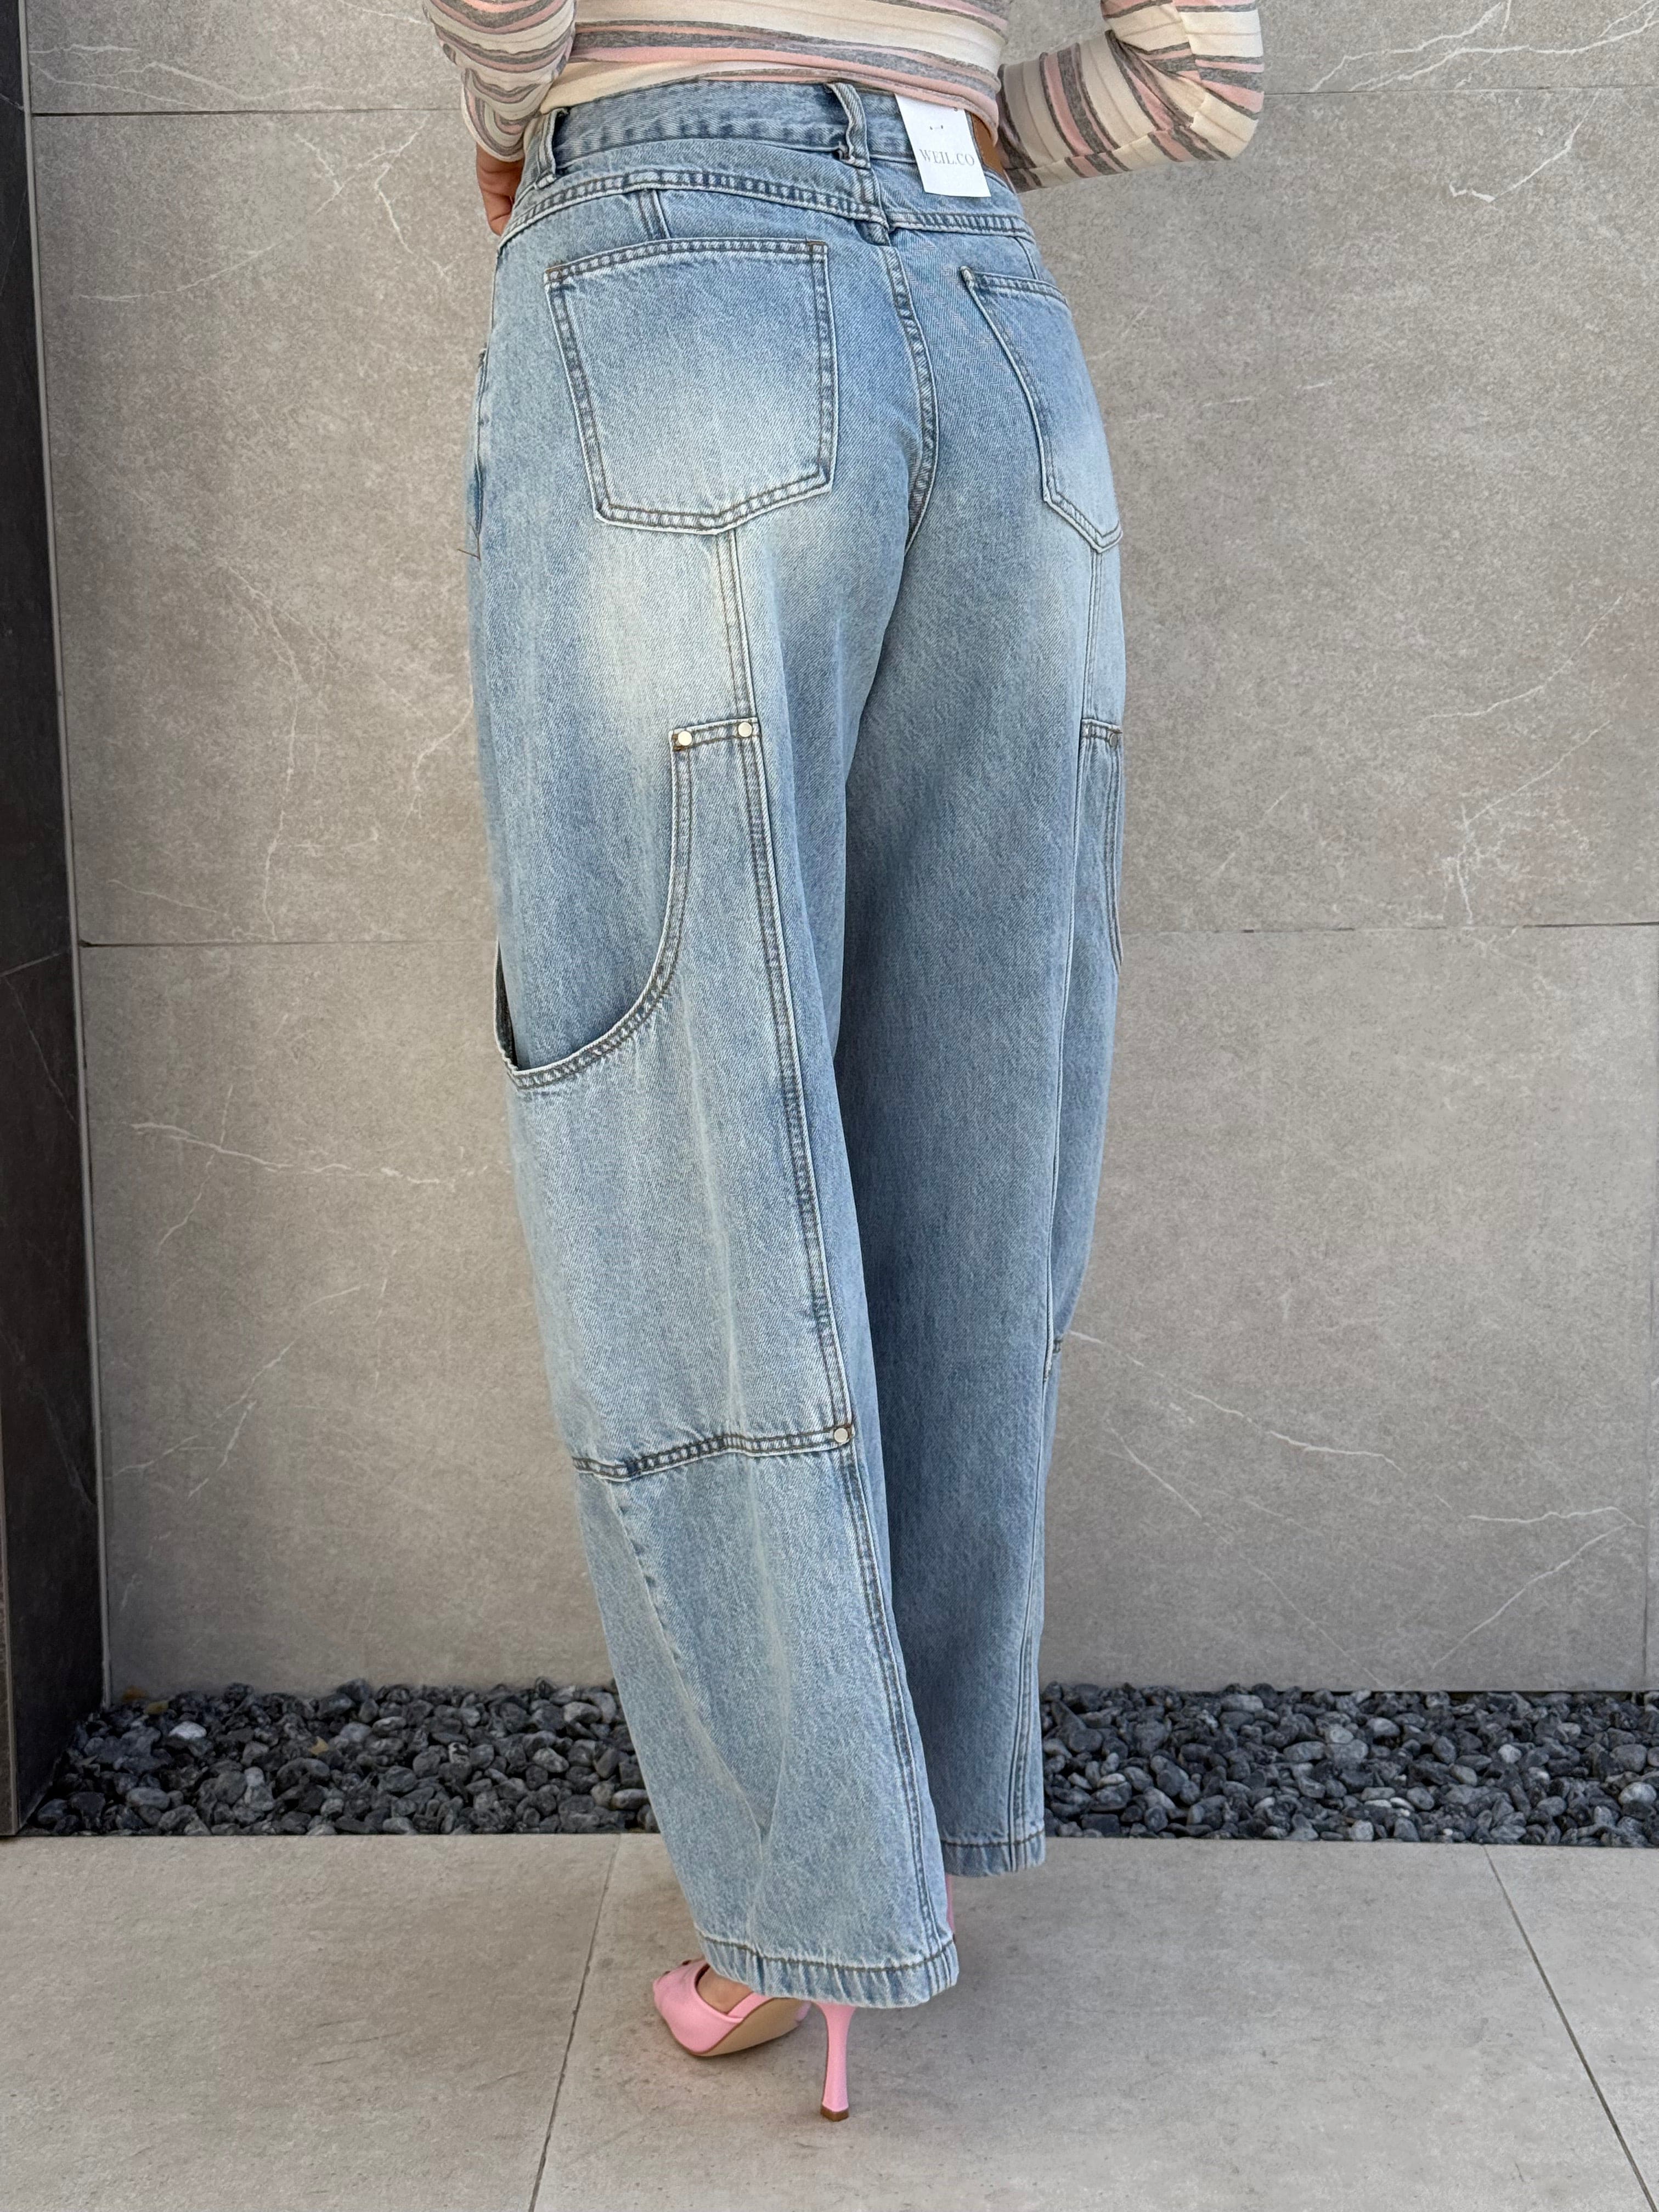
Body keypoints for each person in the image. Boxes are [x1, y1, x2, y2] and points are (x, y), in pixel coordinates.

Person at [423, 0, 1261, 2122]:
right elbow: (1199, 72)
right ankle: (914, 1828)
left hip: (673, 273)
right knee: (971, 1094)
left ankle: (804, 1895)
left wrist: (519, 134)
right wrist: (922, 123)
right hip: (993, 333)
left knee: (679, 1095)